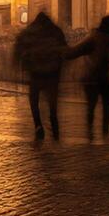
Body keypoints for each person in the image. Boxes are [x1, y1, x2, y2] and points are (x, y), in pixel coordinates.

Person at [13, 12, 69, 141]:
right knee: (52, 104)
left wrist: (18, 66)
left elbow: (19, 48)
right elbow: (64, 50)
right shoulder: (56, 31)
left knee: (34, 101)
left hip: (35, 73)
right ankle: (55, 127)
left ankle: (38, 125)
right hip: (53, 74)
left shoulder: (30, 32)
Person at [68, 16, 109, 140]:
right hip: (104, 76)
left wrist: (63, 52)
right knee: (107, 105)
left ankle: (90, 130)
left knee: (91, 106)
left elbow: (76, 51)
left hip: (91, 75)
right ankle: (105, 130)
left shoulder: (94, 37)